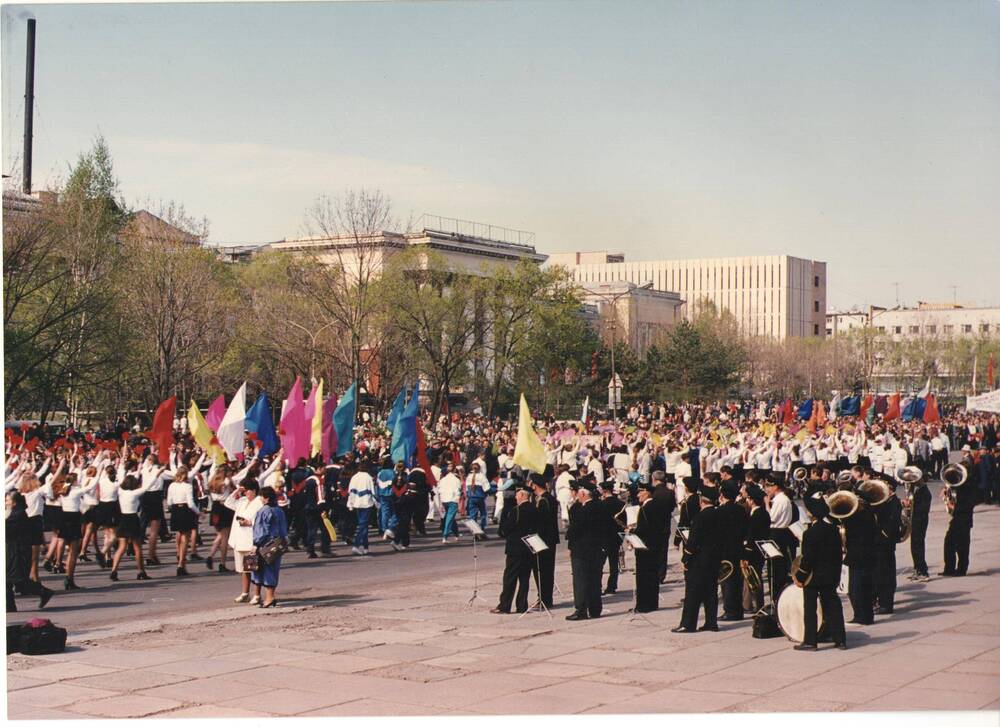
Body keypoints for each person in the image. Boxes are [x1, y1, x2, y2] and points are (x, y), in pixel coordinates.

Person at [792, 493, 848, 651]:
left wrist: (800, 576)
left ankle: (810, 641)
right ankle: (840, 639)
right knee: (833, 607)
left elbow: (807, 559)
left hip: (814, 577)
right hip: (830, 575)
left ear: (811, 514)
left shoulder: (809, 533)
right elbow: (838, 554)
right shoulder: (833, 530)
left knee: (810, 608)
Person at [673, 483, 722, 633]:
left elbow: (693, 541)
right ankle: (711, 622)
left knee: (693, 593)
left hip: (699, 560)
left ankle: (688, 624)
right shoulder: (719, 514)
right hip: (713, 558)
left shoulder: (700, 517)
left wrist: (686, 558)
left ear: (702, 500)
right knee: (710, 592)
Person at [492, 484, 537, 614]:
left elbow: (505, 530)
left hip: (515, 548)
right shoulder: (534, 509)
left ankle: (504, 605)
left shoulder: (516, 511)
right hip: (529, 547)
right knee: (524, 578)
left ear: (522, 495)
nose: (516, 498)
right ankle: (522, 605)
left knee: (510, 578)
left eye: (517, 495)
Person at [6, 491, 55, 612]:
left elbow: (7, 530)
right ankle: (9, 605)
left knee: (18, 580)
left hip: (18, 552)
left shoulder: (18, 514)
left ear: (14, 502)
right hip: (13, 550)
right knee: (9, 579)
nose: (5, 502)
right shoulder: (15, 513)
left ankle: (43, 592)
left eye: (7, 500)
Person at [565, 480, 607, 620]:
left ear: (582, 493)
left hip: (581, 550)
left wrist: (569, 542)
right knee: (595, 580)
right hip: (597, 549)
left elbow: (575, 530)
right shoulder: (600, 506)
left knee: (581, 580)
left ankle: (581, 609)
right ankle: (595, 609)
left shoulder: (581, 510)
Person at [110, 471, 159, 582]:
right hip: (132, 519)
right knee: (137, 548)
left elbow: (121, 474)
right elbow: (148, 485)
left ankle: (114, 570)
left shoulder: (121, 492)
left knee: (121, 547)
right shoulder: (134, 493)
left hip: (123, 518)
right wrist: (157, 474)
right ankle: (141, 571)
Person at [225, 479, 265, 604]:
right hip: (239, 538)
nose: (245, 493)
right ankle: (245, 593)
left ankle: (257, 594)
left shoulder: (259, 503)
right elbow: (228, 502)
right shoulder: (242, 501)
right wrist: (237, 491)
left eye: (247, 490)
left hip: (251, 539)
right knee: (243, 569)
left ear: (253, 491)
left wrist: (249, 523)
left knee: (253, 568)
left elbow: (261, 520)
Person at [251, 486, 288, 608]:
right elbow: (284, 529)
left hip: (266, 544)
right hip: (278, 543)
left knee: (264, 570)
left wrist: (255, 544)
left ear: (265, 498)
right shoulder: (279, 510)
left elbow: (261, 530)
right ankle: (270, 596)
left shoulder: (264, 511)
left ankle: (269, 598)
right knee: (273, 569)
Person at [717, 480, 749, 621]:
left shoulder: (721, 511)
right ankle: (738, 609)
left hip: (725, 550)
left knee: (727, 581)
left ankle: (730, 610)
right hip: (738, 547)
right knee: (737, 580)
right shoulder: (740, 509)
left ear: (722, 495)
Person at [632, 483, 666, 612]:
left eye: (640, 492)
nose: (638, 495)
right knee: (652, 576)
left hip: (645, 546)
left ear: (646, 492)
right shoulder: (657, 505)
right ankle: (652, 603)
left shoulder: (646, 508)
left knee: (643, 576)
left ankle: (644, 605)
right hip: (655, 545)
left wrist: (632, 531)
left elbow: (644, 529)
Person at [530, 472, 559, 609]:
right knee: (547, 570)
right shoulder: (550, 498)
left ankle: (544, 599)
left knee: (541, 570)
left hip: (543, 540)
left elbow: (540, 523)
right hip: (550, 540)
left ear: (535, 485)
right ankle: (546, 598)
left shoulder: (543, 501)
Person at [871, 486, 902, 614]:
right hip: (881, 544)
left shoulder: (894, 502)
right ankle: (881, 602)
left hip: (886, 544)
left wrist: (883, 535)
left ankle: (886, 605)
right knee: (880, 575)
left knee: (886, 576)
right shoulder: (886, 501)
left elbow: (893, 522)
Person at [940, 475, 979, 576]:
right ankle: (949, 568)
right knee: (950, 542)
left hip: (964, 519)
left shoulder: (970, 486)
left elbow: (969, 503)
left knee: (962, 545)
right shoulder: (961, 485)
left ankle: (961, 569)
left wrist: (953, 506)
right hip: (958, 518)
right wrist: (947, 492)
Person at [166, 465, 200, 577]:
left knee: (179, 535)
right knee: (185, 538)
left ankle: (179, 556)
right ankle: (181, 563)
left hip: (175, 509)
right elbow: (190, 503)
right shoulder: (187, 486)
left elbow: (169, 502)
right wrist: (198, 512)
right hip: (185, 510)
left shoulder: (171, 485)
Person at [742, 483, 770, 613]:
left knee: (754, 579)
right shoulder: (763, 512)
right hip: (759, 551)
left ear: (752, 500)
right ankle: (754, 604)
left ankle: (757, 604)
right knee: (753, 579)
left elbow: (752, 537)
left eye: (748, 498)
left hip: (754, 552)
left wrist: (746, 555)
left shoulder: (756, 515)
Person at [650, 471, 676, 584]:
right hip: (665, 524)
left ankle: (654, 573)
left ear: (654, 479)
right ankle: (661, 575)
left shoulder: (653, 492)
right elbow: (671, 507)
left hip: (653, 525)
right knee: (663, 551)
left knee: (653, 550)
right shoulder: (669, 492)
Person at [905, 473, 931, 582]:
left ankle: (923, 571)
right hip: (915, 521)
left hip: (920, 522)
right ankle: (917, 569)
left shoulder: (925, 492)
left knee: (918, 546)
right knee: (914, 547)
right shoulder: (919, 490)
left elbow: (922, 510)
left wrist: (911, 507)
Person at [600, 481, 624, 595]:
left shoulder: (601, 504)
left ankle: (598, 586)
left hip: (604, 537)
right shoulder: (620, 503)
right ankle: (612, 586)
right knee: (614, 563)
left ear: (604, 491)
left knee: (600, 563)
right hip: (616, 536)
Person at [347, 462, 376, 555]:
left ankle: (366, 547)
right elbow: (373, 492)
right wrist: (377, 503)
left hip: (357, 503)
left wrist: (350, 504)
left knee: (363, 525)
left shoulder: (354, 477)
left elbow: (351, 491)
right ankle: (356, 545)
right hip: (367, 503)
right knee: (363, 526)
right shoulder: (368, 477)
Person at [437, 466, 462, 543]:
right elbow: (458, 491)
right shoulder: (456, 480)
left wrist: (441, 503)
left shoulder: (442, 480)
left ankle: (456, 533)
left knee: (450, 517)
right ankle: (445, 535)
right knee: (450, 518)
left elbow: (439, 491)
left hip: (444, 500)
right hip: (453, 500)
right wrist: (458, 502)